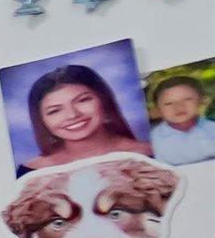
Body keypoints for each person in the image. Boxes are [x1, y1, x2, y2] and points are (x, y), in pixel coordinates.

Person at [22, 62, 153, 171]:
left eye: (82, 100)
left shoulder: (149, 154)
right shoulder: (30, 172)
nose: (72, 115)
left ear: (104, 100)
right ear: (41, 120)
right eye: (55, 111)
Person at [148, 72, 215, 164]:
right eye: (168, 103)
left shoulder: (212, 128)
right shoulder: (152, 139)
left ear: (202, 100)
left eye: (187, 99)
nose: (179, 107)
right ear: (157, 110)